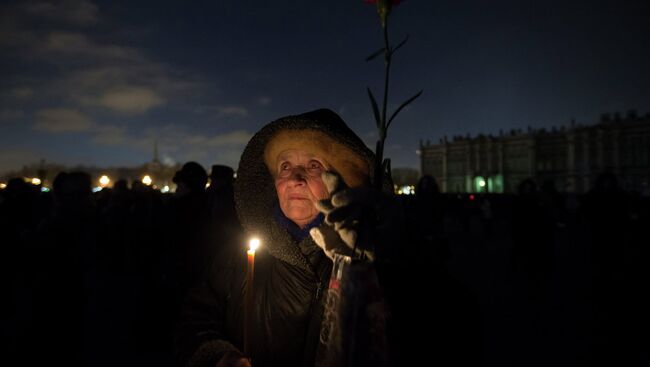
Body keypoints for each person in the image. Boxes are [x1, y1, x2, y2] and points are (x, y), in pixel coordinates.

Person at [173, 109, 399, 367]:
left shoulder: (364, 256)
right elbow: (194, 320)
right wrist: (218, 355)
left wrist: (384, 253)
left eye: (314, 165)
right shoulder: (235, 256)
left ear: (341, 181)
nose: (295, 178)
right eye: (285, 166)